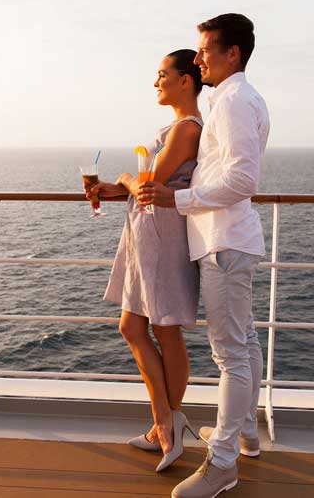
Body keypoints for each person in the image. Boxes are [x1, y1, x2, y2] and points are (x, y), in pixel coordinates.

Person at [138, 13, 270, 498]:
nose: (198, 59)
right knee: (246, 344)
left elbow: (242, 179)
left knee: (230, 354)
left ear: (232, 53)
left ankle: (222, 466)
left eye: (206, 50)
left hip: (224, 241)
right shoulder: (233, 99)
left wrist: (180, 199)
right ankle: (246, 436)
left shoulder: (233, 100)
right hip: (229, 239)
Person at [87, 49, 204, 472]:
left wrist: (123, 179)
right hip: (147, 236)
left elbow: (150, 183)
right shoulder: (174, 129)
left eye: (162, 75)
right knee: (135, 325)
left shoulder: (187, 129)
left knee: (163, 329)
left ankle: (165, 427)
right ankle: (166, 424)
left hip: (163, 238)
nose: (156, 82)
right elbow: (148, 187)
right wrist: (111, 188)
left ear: (185, 80)